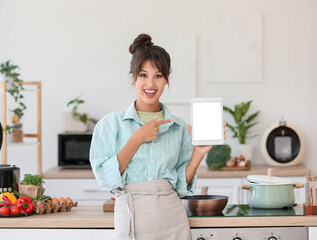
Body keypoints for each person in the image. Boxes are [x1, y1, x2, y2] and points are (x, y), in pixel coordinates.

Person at [90, 33, 226, 240]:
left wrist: (198, 153)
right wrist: (137, 139)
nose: (150, 84)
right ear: (133, 77)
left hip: (172, 216)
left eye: (158, 76)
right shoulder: (109, 125)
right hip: (131, 213)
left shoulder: (179, 127)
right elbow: (105, 180)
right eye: (143, 75)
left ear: (167, 79)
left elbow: (181, 185)